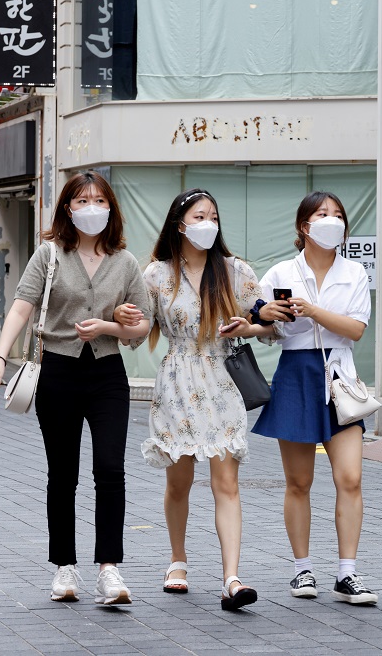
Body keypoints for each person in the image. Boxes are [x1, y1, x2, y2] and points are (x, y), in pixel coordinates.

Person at [0, 170, 151, 605]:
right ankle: (65, 567)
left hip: (108, 372)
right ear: (67, 209)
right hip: (58, 371)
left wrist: (114, 324)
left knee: (111, 469)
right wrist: (0, 357)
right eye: (81, 201)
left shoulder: (126, 262)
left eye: (98, 200)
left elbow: (141, 328)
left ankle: (109, 570)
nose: (91, 208)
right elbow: (22, 307)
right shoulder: (49, 254)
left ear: (110, 208)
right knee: (63, 474)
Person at [115, 188, 272, 611]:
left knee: (227, 482)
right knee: (179, 481)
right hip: (177, 381)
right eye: (200, 215)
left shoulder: (236, 271)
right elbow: (138, 328)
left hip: (222, 382)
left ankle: (232, 578)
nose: (208, 223)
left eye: (213, 216)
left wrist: (250, 326)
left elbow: (267, 322)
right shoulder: (157, 275)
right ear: (179, 224)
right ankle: (177, 560)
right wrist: (120, 319)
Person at [252, 190, 377, 605]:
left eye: (338, 214)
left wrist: (311, 310)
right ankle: (302, 570)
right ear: (303, 226)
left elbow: (356, 329)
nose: (332, 220)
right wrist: (258, 320)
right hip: (295, 375)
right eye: (323, 214)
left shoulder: (354, 273)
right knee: (299, 482)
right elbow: (266, 327)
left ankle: (348, 573)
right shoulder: (280, 272)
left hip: (340, 379)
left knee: (350, 478)